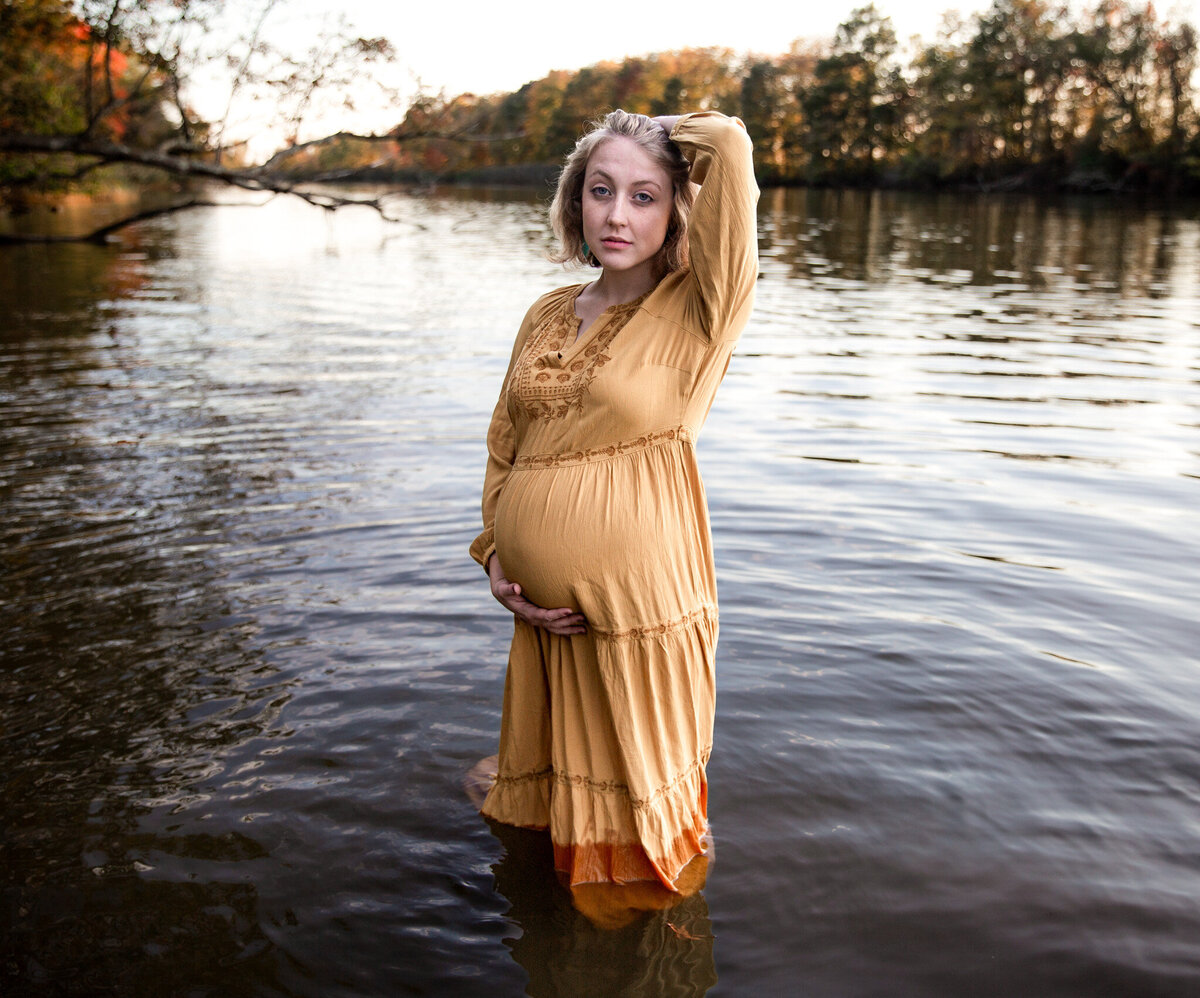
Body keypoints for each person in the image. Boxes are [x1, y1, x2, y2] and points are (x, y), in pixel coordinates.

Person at [468, 108, 758, 922]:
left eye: (644, 195)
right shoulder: (547, 312)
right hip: (544, 620)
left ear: (675, 212)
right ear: (575, 202)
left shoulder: (703, 308)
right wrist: (497, 560)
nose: (618, 215)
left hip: (642, 616)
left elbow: (729, 144)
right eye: (601, 191)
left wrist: (640, 126)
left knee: (643, 849)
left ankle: (647, 958)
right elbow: (505, 444)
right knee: (551, 828)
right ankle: (559, 938)